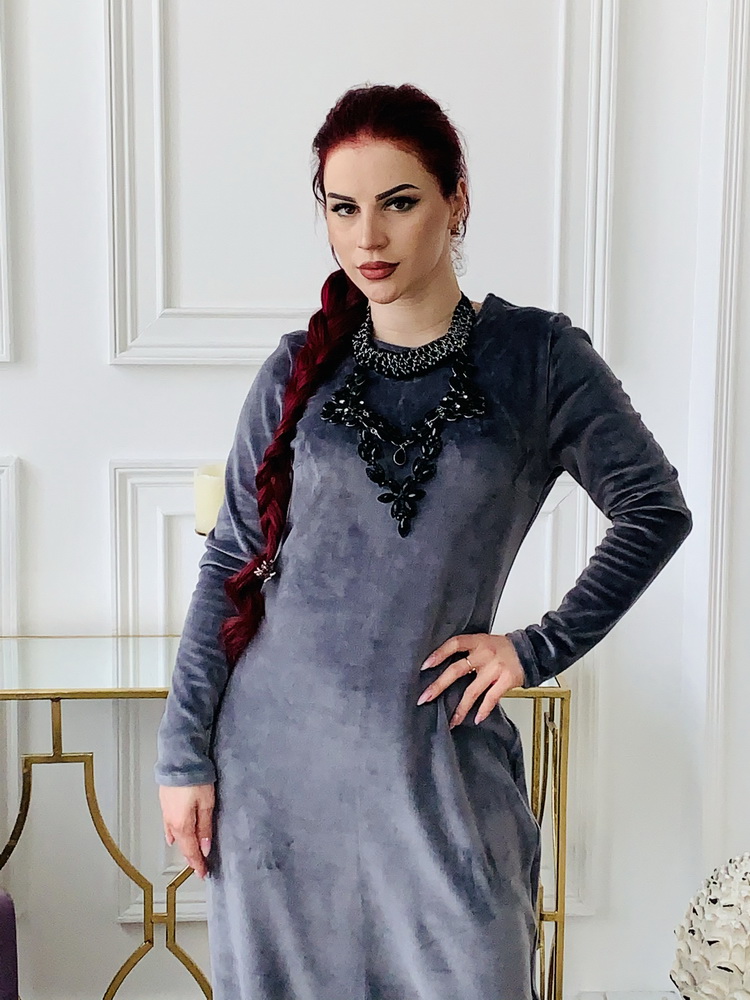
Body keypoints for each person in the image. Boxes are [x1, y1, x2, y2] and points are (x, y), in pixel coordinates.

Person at [155, 82, 693, 1000]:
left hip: (436, 775)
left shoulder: (536, 358)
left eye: (398, 202)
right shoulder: (298, 370)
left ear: (457, 199)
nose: (368, 236)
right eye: (343, 208)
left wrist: (535, 648)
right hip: (276, 779)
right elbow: (231, 561)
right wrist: (182, 754)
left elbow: (655, 508)